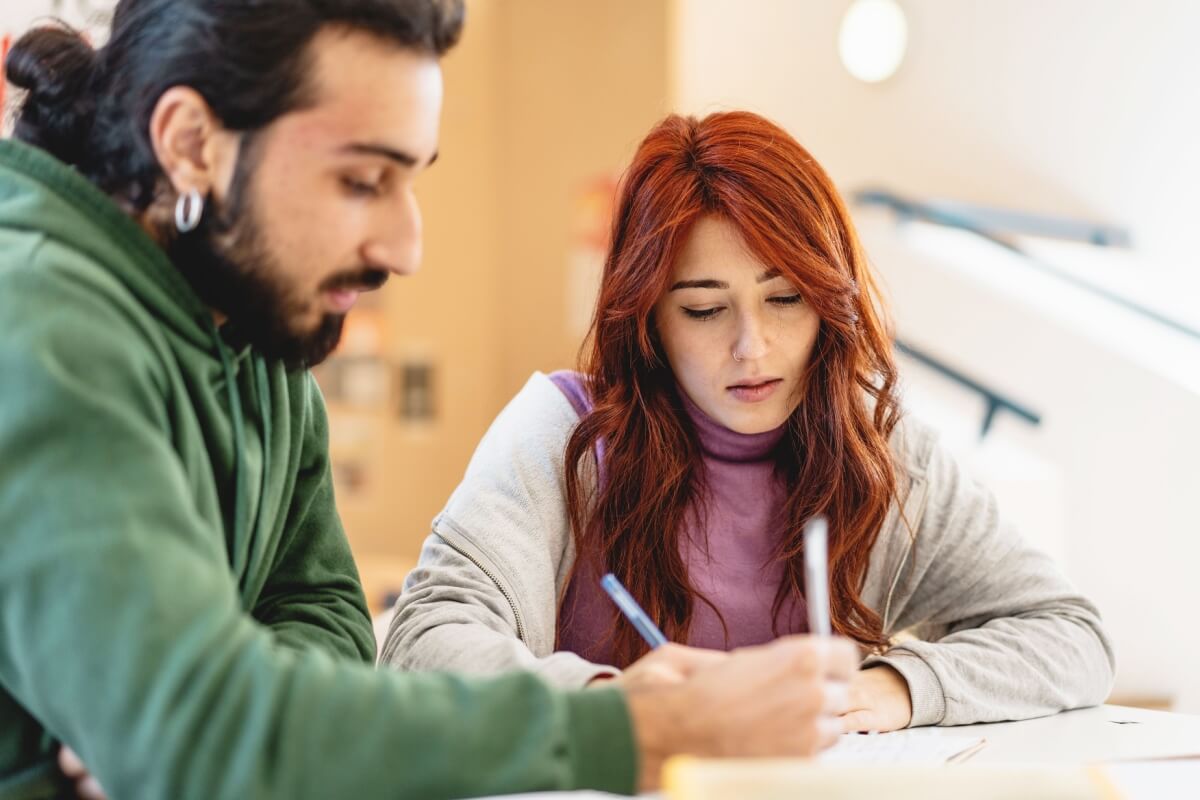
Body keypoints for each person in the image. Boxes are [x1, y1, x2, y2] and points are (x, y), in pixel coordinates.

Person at [0, 4, 859, 799]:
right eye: (363, 181)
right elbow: (196, 732)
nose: (406, 245)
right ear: (190, 143)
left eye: (410, 178)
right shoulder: (40, 330)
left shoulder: (255, 335)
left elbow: (327, 622)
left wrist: (232, 720)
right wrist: (636, 730)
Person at [382, 110, 1116, 733]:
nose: (752, 348)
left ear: (830, 300)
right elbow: (422, 644)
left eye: (786, 299)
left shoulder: (880, 454)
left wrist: (889, 691)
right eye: (703, 309)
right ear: (648, 320)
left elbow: (1070, 636)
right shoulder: (561, 437)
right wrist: (616, 709)